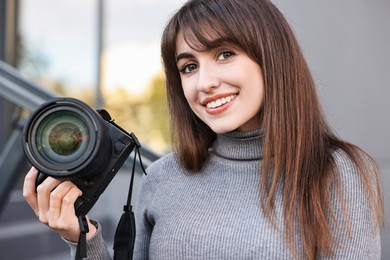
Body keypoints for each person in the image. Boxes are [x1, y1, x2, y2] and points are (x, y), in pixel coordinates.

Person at [23, 0, 385, 259]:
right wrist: (80, 237)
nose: (204, 82)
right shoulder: (165, 175)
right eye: (189, 66)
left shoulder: (338, 173)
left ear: (270, 56)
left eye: (225, 54)